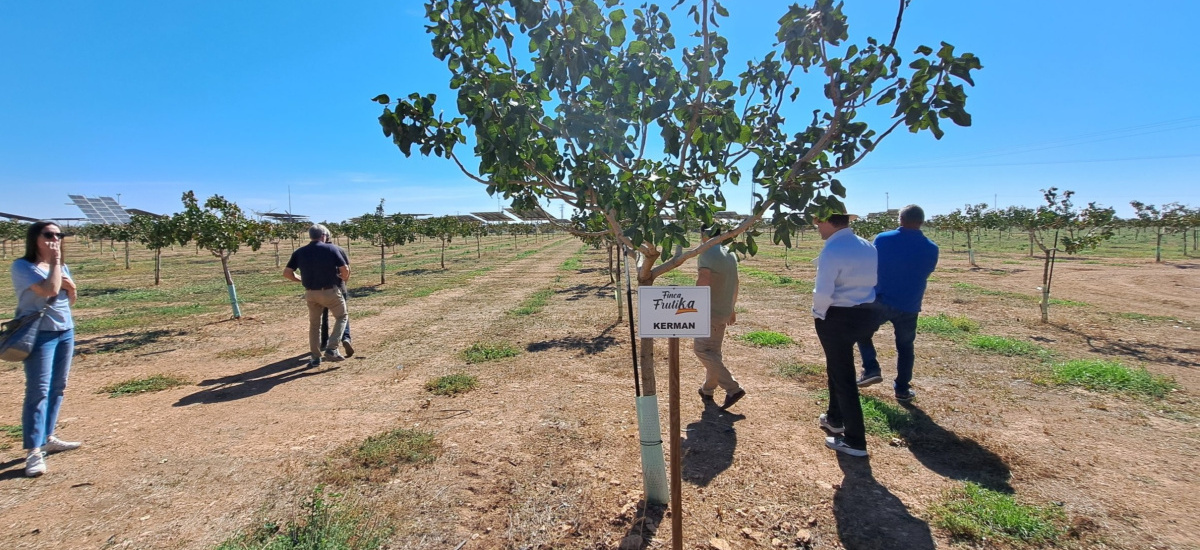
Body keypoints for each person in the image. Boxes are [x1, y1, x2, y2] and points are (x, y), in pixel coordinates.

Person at [11, 221, 82, 477]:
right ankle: (33, 450)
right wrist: (54, 263)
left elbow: (69, 298)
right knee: (38, 390)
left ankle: (48, 436)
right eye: (49, 234)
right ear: (35, 238)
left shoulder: (62, 266)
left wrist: (70, 286)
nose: (55, 239)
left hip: (65, 330)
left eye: (59, 235)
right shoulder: (23, 266)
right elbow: (50, 290)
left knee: (58, 386)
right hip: (39, 334)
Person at [855, 205, 939, 401]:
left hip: (881, 299)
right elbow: (927, 271)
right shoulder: (932, 248)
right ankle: (902, 389)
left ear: (900, 219)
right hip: (910, 303)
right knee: (905, 347)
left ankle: (871, 368)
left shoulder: (883, 239)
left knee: (861, 331)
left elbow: (872, 262)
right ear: (922, 222)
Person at [812, 212, 877, 457]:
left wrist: (818, 313)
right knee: (838, 369)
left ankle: (855, 440)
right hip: (864, 313)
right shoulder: (867, 246)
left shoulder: (832, 250)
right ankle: (834, 418)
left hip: (837, 316)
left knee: (844, 376)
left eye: (818, 222)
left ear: (829, 221)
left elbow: (824, 290)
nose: (817, 227)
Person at [693, 224, 745, 410]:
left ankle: (733, 388)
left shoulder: (706, 254)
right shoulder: (729, 253)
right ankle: (707, 389)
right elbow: (736, 283)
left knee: (702, 351)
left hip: (709, 312)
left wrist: (694, 306)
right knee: (713, 353)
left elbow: (703, 281)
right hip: (723, 311)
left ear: (704, 235)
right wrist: (731, 308)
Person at [284, 224, 349, 368]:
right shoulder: (331, 249)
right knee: (342, 316)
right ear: (323, 236)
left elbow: (287, 273)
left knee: (314, 325)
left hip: (310, 293)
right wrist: (343, 278)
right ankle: (332, 348)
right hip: (330, 291)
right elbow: (345, 269)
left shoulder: (299, 251)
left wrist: (300, 279)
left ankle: (315, 357)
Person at [318, 230, 353, 358]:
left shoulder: (314, 252)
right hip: (338, 287)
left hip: (320, 289)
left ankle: (324, 342)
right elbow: (347, 269)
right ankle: (345, 338)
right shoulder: (339, 249)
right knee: (343, 316)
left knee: (323, 316)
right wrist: (343, 283)